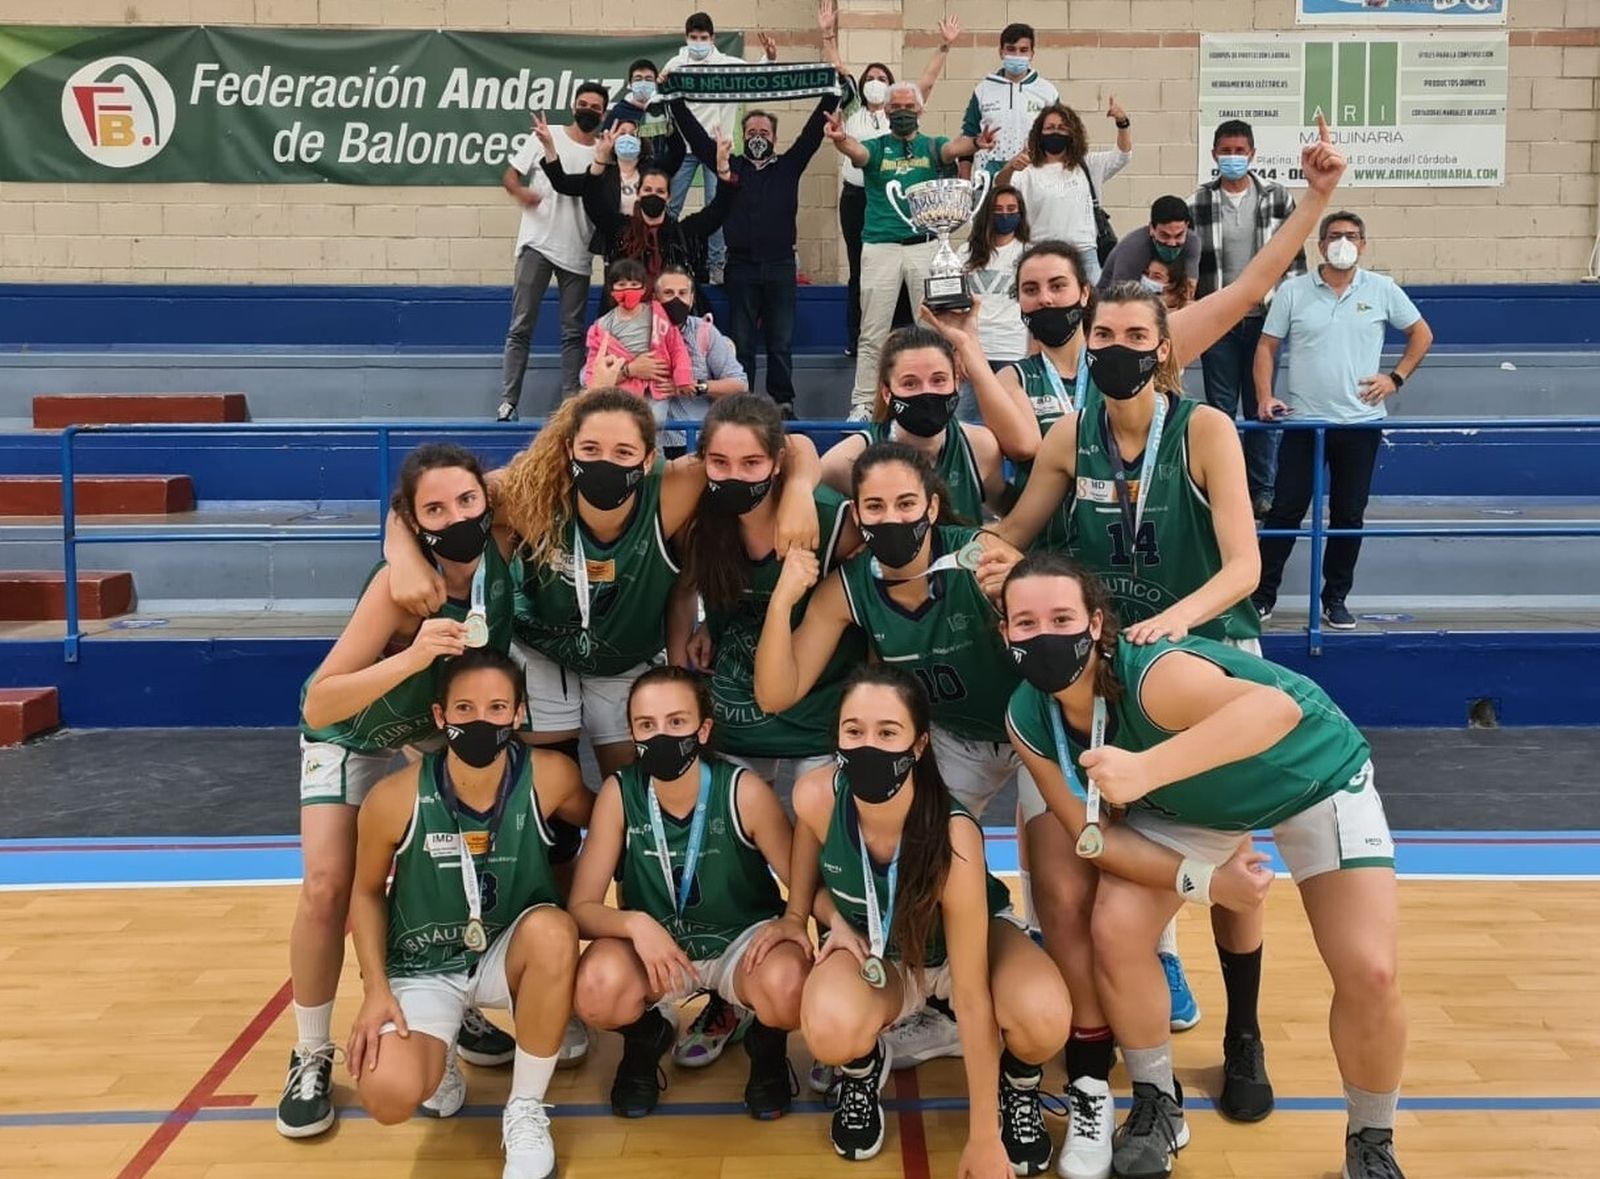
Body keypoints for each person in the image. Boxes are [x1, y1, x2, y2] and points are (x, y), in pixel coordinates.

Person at [989, 120, 1351, 1178]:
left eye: (1130, 332)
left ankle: (1243, 1028)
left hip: (1202, 653)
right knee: (1099, 862)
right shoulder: (1070, 434)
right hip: (1101, 668)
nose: (1110, 343)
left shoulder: (1202, 429)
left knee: (1232, 860)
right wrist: (972, 549)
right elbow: (1018, 533)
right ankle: (1122, 1048)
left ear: (1162, 345)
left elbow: (1243, 569)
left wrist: (1312, 201)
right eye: (1096, 329)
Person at [1000, 556, 1407, 1179]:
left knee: (1370, 971)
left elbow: (1276, 712)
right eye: (1026, 623)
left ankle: (1371, 1142)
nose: (1044, 634)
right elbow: (1093, 840)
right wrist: (1209, 882)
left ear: (1096, 624)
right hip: (1197, 805)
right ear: (1005, 633)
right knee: (1115, 927)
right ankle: (1157, 1102)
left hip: (1313, 775)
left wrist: (1145, 770)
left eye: (1061, 618)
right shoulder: (1028, 718)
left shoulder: (1152, 676)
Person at [281, 443, 530, 1140]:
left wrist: (395, 529)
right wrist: (415, 654)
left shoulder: (500, 535)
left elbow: (534, 462)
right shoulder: (399, 589)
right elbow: (322, 701)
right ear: (416, 522)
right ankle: (310, 1051)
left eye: (466, 501)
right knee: (328, 886)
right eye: (434, 511)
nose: (456, 515)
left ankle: (445, 1004)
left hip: (432, 730)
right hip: (353, 733)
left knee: (457, 865)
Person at [383, 387, 821, 782]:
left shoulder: (676, 486)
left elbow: (795, 445)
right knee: (550, 785)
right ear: (568, 449)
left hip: (625, 656)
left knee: (636, 787)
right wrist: (401, 552)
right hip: (543, 650)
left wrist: (800, 488)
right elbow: (424, 495)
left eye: (623, 451)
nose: (605, 463)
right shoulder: (531, 492)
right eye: (590, 449)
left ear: (648, 458)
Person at [782, 665, 1070, 1173]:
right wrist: (821, 918)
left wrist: (983, 1137)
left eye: (887, 732)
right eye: (854, 731)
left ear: (918, 745)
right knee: (827, 1028)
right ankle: (863, 1069)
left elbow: (974, 993)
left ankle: (1018, 1084)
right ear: (838, 738)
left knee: (1043, 1016)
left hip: (961, 953)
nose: (868, 745)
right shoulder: (815, 798)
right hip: (880, 952)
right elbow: (811, 887)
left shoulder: (953, 837)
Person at [343, 648, 586, 1179]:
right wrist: (375, 990)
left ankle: (525, 1108)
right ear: (440, 716)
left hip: (506, 952)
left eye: (497, 708)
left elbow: (609, 822)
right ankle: (442, 1045)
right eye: (464, 709)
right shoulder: (393, 798)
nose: (481, 721)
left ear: (519, 714)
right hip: (425, 961)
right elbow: (365, 893)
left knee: (554, 930)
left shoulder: (551, 777)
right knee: (388, 1095)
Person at [568, 666, 805, 1119]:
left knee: (790, 984)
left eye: (676, 722)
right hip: (659, 950)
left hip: (740, 947)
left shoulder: (743, 791)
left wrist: (801, 922)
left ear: (704, 729)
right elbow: (580, 908)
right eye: (647, 725)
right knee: (596, 988)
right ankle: (645, 1039)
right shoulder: (619, 794)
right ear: (632, 733)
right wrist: (635, 923)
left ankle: (768, 1047)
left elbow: (803, 885)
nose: (661, 735)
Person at [1253, 211, 1434, 631]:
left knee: (1349, 515)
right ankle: (1261, 597)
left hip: (1361, 424)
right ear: (1320, 245)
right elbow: (1266, 346)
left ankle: (1335, 599)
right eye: (1334, 236)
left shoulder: (1382, 289)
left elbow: (1422, 334)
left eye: (1352, 236)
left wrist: (1394, 378)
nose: (1343, 243)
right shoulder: (1293, 291)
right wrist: (1264, 396)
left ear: (1363, 244)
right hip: (1303, 424)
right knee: (1285, 511)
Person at [667, 24, 841, 414]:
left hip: (781, 265)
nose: (757, 135)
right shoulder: (730, 166)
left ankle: (782, 401)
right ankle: (742, 402)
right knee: (742, 343)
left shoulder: (789, 165)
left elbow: (814, 129)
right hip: (741, 266)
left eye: (764, 131)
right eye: (751, 130)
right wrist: (675, 99)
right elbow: (696, 135)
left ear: (774, 137)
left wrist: (833, 88)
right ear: (742, 135)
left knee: (780, 341)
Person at [824, 82, 996, 419]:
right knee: (872, 331)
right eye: (896, 108)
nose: (903, 113)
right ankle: (863, 404)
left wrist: (976, 142)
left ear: (920, 110)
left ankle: (938, 395)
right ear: (886, 112)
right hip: (880, 246)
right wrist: (841, 138)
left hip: (926, 245)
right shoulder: (877, 147)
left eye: (909, 107)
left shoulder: (932, 145)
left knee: (932, 328)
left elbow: (954, 149)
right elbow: (857, 153)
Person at [820, 0, 961, 357]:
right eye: (871, 78)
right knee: (862, 270)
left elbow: (927, 80)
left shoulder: (901, 109)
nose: (875, 83)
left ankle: (904, 335)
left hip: (901, 201)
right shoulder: (855, 106)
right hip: (858, 196)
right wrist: (827, 35)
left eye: (882, 79)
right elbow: (839, 69)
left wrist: (944, 46)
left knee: (906, 270)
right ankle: (858, 339)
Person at [1189, 118, 1308, 517]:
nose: (1233, 157)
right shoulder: (1197, 202)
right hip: (1217, 323)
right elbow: (1187, 265)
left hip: (1265, 321)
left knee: (1262, 406)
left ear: (1253, 154)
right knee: (1220, 410)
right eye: (1226, 151)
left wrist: (1290, 315)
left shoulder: (1278, 199)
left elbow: (1294, 260)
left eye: (1240, 151)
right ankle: (1225, 489)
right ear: (1214, 155)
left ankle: (1262, 490)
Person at [820, 324, 1015, 523]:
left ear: (956, 383)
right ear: (887, 393)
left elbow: (1009, 516)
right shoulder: (847, 459)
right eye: (910, 383)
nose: (927, 392)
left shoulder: (980, 447)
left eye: (938, 380)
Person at [496, 82, 608, 422]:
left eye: (595, 107)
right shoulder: (547, 135)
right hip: (538, 244)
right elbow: (510, 175)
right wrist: (520, 194)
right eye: (583, 104)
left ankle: (570, 407)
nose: (588, 110)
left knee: (573, 333)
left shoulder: (603, 151)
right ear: (573, 106)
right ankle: (508, 402)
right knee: (521, 326)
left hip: (578, 250)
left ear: (604, 114)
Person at [538, 124, 735, 303]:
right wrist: (599, 161)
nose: (653, 195)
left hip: (673, 316)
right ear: (638, 193)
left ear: (668, 197)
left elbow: (717, 212)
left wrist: (723, 169)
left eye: (659, 191)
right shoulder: (620, 229)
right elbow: (594, 203)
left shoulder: (681, 233)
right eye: (648, 190)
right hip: (627, 314)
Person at [658, 11, 779, 284]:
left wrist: (770, 58)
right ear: (686, 38)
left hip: (718, 151)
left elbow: (755, 75)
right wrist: (661, 82)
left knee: (718, 207)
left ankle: (717, 265)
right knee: (670, 207)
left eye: (703, 37)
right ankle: (662, 258)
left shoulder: (726, 64)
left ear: (712, 38)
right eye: (693, 37)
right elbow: (660, 93)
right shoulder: (675, 64)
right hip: (685, 148)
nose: (698, 42)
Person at [999, 101, 1132, 286]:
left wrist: (1122, 122)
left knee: (1095, 303)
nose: (1055, 132)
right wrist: (1010, 167)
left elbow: (1122, 156)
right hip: (1041, 254)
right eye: (1049, 128)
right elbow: (1001, 188)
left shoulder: (1087, 165)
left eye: (1062, 128)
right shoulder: (1027, 172)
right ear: (1039, 133)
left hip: (1084, 256)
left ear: (1072, 133)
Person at [650, 264, 748, 449]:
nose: (676, 299)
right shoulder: (636, 330)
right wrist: (631, 369)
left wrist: (694, 387)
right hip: (648, 443)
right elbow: (594, 379)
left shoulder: (705, 332)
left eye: (682, 293)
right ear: (655, 298)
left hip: (697, 443)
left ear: (692, 298)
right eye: (669, 293)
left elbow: (740, 384)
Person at [958, 186, 1032, 422]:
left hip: (1014, 349)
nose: (1005, 215)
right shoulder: (964, 253)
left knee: (1012, 423)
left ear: (1021, 214)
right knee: (967, 425)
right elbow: (956, 308)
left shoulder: (1029, 253)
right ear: (987, 213)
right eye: (998, 210)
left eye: (1011, 209)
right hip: (974, 351)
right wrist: (957, 350)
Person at [582, 257, 694, 402]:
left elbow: (677, 346)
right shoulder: (602, 327)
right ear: (612, 290)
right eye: (622, 284)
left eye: (634, 284)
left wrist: (683, 378)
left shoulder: (658, 314)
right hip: (621, 393)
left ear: (643, 289)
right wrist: (630, 370)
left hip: (657, 390)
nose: (628, 289)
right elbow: (592, 372)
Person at [961, 22, 1061, 178]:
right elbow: (968, 136)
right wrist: (965, 178)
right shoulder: (983, 90)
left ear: (1032, 54)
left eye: (1023, 50)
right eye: (1011, 49)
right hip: (989, 177)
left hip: (1033, 175)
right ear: (1001, 52)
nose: (1017, 55)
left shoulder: (1048, 92)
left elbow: (1059, 136)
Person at [1099, 195, 1200, 302]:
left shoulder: (1192, 242)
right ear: (1152, 228)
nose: (1172, 243)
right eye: (1165, 235)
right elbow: (1120, 300)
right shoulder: (1133, 249)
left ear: (1187, 226)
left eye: (1179, 235)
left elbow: (1189, 290)